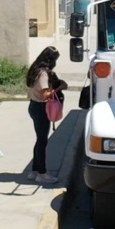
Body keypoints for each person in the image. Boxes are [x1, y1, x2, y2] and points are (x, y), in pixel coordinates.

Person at [26, 46, 68, 184]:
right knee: (42, 141)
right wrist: (58, 88)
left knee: (40, 139)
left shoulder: (34, 70)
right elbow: (45, 95)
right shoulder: (43, 74)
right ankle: (42, 173)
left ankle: (34, 170)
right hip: (41, 108)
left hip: (33, 106)